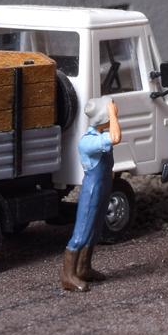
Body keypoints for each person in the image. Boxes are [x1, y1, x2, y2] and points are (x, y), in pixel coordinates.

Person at [64, 97, 120, 293]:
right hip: (92, 189)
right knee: (82, 231)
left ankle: (84, 268)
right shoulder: (88, 141)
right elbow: (115, 138)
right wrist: (112, 113)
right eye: (109, 113)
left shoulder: (99, 137)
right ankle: (68, 276)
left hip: (103, 186)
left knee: (95, 229)